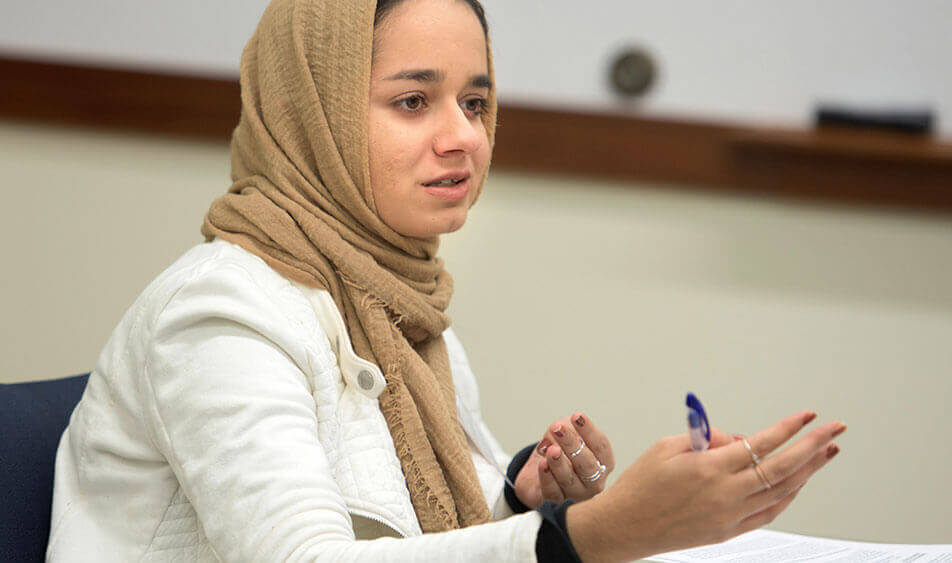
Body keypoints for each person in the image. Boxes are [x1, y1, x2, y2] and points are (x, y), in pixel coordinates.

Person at [46, 0, 846, 561]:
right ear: (312, 112)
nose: (461, 136)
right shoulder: (222, 312)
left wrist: (524, 500)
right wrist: (584, 536)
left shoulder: (404, 304)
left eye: (474, 101)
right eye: (412, 100)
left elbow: (417, 532)